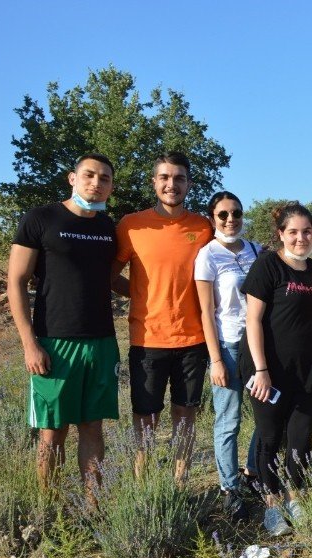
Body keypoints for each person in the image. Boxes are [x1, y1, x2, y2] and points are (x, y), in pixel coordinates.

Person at [7, 153, 119, 504]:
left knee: (93, 428)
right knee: (52, 432)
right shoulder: (41, 218)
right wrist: (29, 344)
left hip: (102, 340)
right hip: (54, 342)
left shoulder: (108, 227)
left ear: (111, 187)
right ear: (72, 178)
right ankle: (49, 510)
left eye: (104, 178)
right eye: (88, 175)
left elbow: (114, 280)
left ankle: (93, 506)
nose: (95, 182)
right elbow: (16, 281)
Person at [112, 151, 213, 486]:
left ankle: (179, 482)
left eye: (179, 178)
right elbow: (110, 275)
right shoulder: (131, 224)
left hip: (193, 339)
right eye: (165, 178)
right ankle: (143, 486)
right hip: (147, 339)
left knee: (185, 413)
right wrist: (140, 294)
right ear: (154, 182)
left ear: (189, 183)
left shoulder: (203, 227)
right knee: (146, 417)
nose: (172, 184)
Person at [240, 202, 312, 536]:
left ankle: (295, 498)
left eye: (306, 232)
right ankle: (272, 506)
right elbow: (253, 320)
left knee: (300, 437)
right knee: (270, 437)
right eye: (293, 232)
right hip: (267, 370)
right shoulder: (267, 266)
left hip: (307, 369)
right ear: (281, 234)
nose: (300, 238)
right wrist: (261, 369)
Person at [194, 191, 261, 521]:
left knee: (265, 415)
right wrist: (216, 360)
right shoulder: (207, 256)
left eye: (236, 212)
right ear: (212, 218)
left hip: (257, 345)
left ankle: (252, 472)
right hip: (228, 345)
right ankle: (229, 488)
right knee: (229, 420)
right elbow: (206, 312)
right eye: (223, 214)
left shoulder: (256, 251)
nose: (230, 219)